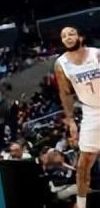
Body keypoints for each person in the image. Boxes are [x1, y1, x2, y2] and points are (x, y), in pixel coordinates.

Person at [56, 25, 100, 208]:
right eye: (64, 36)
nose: (67, 37)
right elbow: (65, 94)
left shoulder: (96, 54)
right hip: (91, 112)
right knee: (83, 165)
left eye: (71, 34)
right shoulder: (61, 64)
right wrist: (71, 121)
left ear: (80, 37)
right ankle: (81, 205)